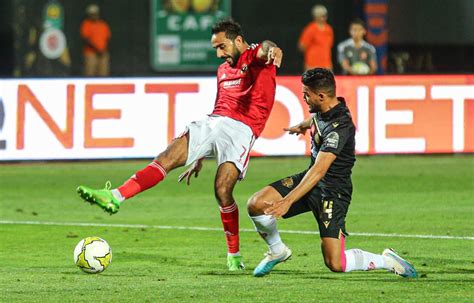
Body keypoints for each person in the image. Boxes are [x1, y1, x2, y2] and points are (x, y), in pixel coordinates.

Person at [77, 19, 283, 271]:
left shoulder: (254, 57)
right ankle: (116, 196)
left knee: (222, 190)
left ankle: (234, 254)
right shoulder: (222, 71)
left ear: (237, 41)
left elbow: (266, 49)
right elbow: (218, 108)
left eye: (222, 47)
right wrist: (198, 155)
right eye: (215, 48)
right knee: (167, 156)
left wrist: (272, 50)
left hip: (241, 130)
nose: (219, 53)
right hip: (214, 122)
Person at [247, 68, 417, 278]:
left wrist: (288, 200)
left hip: (332, 193)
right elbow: (318, 120)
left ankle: (386, 260)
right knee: (256, 204)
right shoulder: (326, 107)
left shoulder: (340, 127)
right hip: (310, 179)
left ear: (321, 96)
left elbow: (320, 170)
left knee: (336, 263)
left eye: (306, 94)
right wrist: (303, 125)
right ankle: (277, 251)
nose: (304, 98)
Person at [298, 5, 334, 71]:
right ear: (315, 16)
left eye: (325, 15)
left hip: (327, 65)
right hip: (312, 66)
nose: (324, 18)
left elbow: (329, 45)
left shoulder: (329, 29)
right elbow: (302, 46)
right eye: (322, 16)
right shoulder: (310, 29)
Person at [80, 4, 111, 76]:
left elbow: (108, 38)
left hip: (103, 53)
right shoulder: (86, 24)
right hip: (91, 53)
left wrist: (103, 50)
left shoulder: (103, 24)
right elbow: (86, 39)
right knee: (90, 74)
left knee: (104, 74)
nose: (94, 15)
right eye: (92, 14)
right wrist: (97, 49)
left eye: (95, 13)